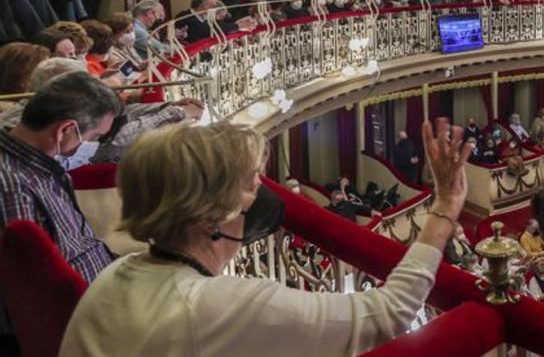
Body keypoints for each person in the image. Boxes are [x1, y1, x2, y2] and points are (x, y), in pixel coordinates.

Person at [60, 117, 475, 356]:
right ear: (212, 213)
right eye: (250, 182)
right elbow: (392, 311)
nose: (262, 189)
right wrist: (446, 204)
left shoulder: (112, 279)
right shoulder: (222, 304)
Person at [0, 72, 123, 336]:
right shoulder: (13, 185)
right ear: (66, 130)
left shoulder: (40, 165)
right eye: (94, 137)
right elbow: (31, 292)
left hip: (99, 290)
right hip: (83, 321)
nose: (93, 146)